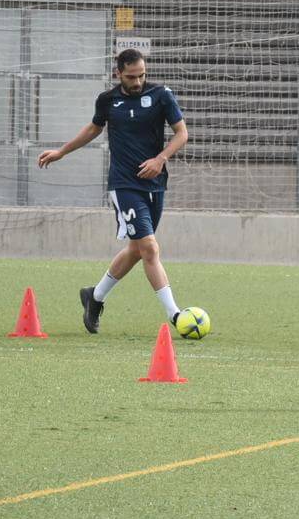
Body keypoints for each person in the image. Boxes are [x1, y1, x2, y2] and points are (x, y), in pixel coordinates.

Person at [38, 48, 188, 334]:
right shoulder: (107, 101)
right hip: (124, 185)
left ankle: (94, 297)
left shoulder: (161, 95)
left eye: (142, 75)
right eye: (131, 76)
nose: (138, 81)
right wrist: (62, 152)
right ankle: (176, 316)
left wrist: (160, 159)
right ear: (117, 73)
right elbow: (93, 129)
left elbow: (182, 133)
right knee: (149, 248)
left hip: (155, 183)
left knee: (135, 249)